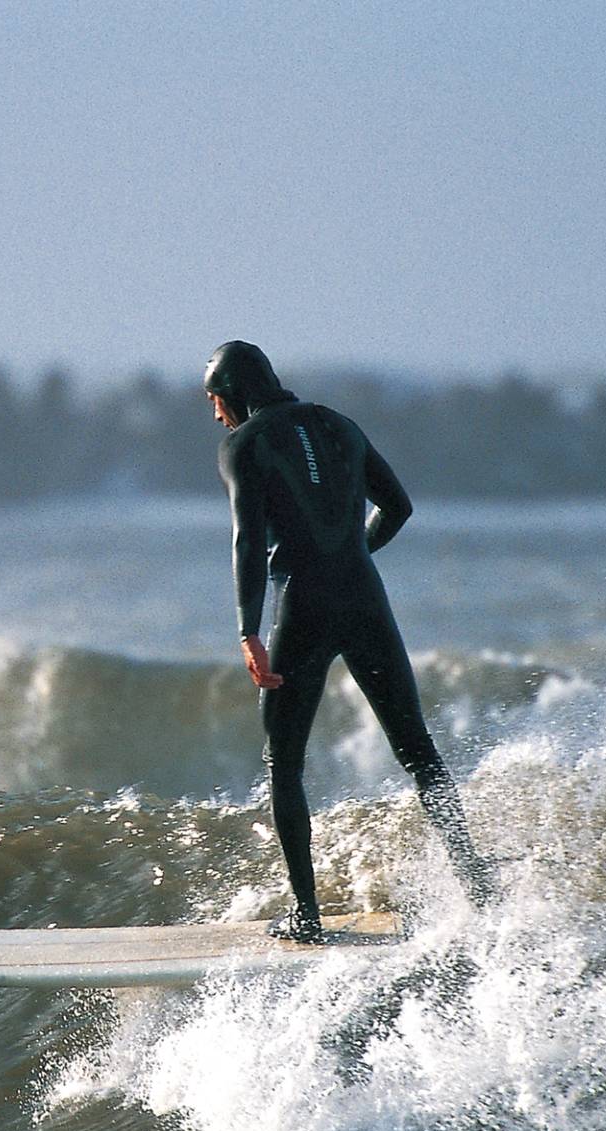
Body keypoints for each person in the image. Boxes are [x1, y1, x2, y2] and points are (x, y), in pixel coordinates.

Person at [206, 340, 498, 942]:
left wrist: (248, 631)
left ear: (233, 395)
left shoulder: (244, 445)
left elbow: (245, 543)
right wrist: (353, 554)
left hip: (302, 610)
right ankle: (479, 886)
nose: (215, 414)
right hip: (367, 600)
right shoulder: (340, 425)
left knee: (283, 763)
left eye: (215, 401)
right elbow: (398, 506)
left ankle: (307, 915)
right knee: (419, 751)